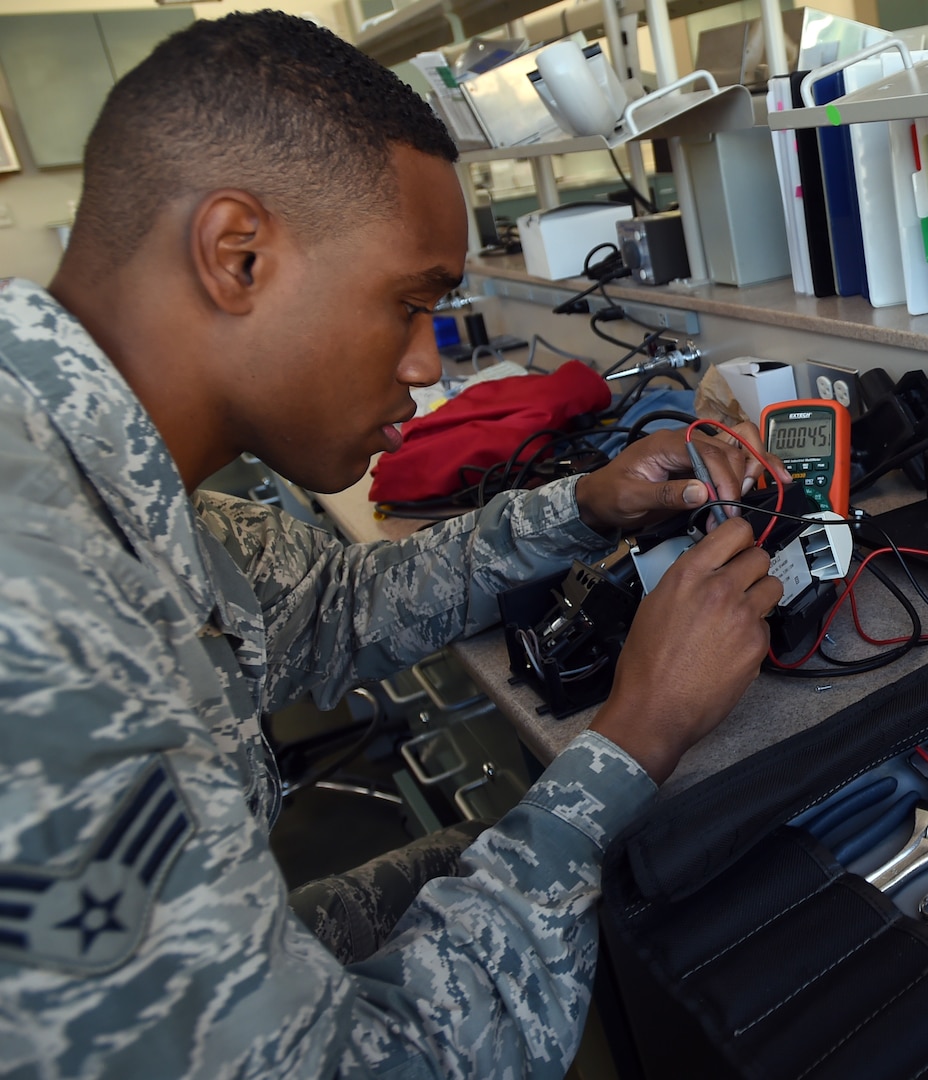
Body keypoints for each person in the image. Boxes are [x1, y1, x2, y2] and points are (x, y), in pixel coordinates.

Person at [0, 11, 785, 1077]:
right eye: (410, 303)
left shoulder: (75, 463)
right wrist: (635, 735)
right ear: (238, 255)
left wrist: (581, 509)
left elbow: (326, 612)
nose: (427, 364)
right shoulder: (42, 619)